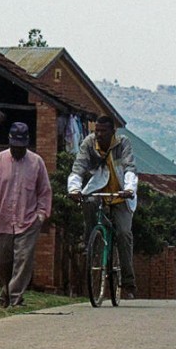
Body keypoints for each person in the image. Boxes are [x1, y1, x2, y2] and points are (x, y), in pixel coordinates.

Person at [0, 122, 52, 308]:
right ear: (9, 142)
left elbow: (44, 191)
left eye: (22, 147)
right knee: (3, 263)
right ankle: (6, 294)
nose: (18, 150)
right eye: (15, 147)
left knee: (23, 260)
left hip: (27, 221)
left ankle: (16, 299)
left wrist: (41, 215)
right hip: (1, 221)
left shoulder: (36, 162)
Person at [67, 115, 138, 298]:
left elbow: (130, 168)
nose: (98, 134)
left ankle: (128, 283)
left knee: (123, 233)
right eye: (96, 130)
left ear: (112, 131)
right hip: (97, 190)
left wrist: (129, 189)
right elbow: (78, 167)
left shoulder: (123, 143)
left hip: (120, 195)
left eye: (103, 131)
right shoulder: (88, 143)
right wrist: (74, 189)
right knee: (88, 202)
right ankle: (91, 238)